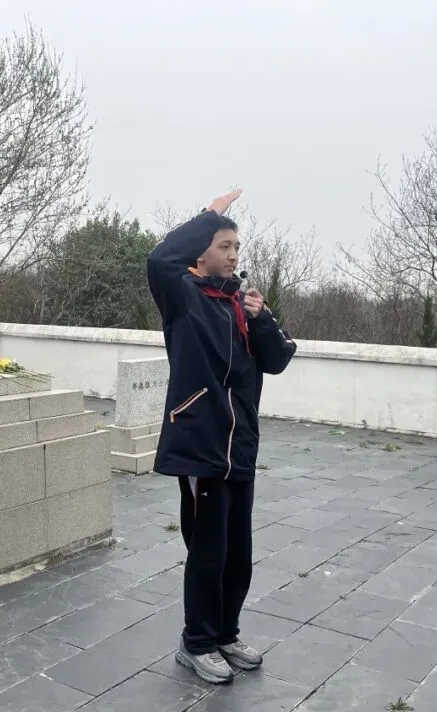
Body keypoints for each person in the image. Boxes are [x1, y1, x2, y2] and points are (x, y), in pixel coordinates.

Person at [146, 188, 297, 684]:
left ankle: (226, 633)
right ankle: (196, 642)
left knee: (237, 552)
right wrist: (208, 216)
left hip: (241, 446)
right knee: (207, 551)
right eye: (223, 245)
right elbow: (159, 258)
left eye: (236, 247)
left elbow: (277, 359)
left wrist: (262, 319)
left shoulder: (238, 304)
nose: (233, 255)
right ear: (202, 252)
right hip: (201, 444)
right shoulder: (183, 297)